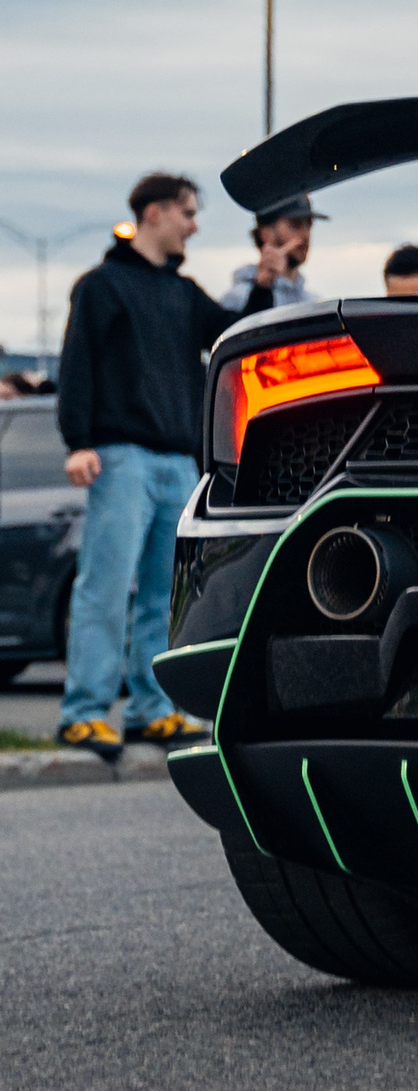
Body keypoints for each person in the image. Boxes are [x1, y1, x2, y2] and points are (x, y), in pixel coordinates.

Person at [55, 174, 234, 756]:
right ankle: (83, 711)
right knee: (104, 588)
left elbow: (231, 332)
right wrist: (77, 442)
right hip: (120, 458)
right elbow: (77, 363)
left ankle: (152, 710)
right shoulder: (101, 287)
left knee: (166, 597)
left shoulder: (183, 294)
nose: (194, 224)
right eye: (187, 213)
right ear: (154, 213)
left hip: (176, 465)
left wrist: (265, 279)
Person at [222, 195, 324, 313]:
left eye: (309, 225)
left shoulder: (315, 304)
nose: (306, 235)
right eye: (295, 224)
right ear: (266, 234)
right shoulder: (238, 299)